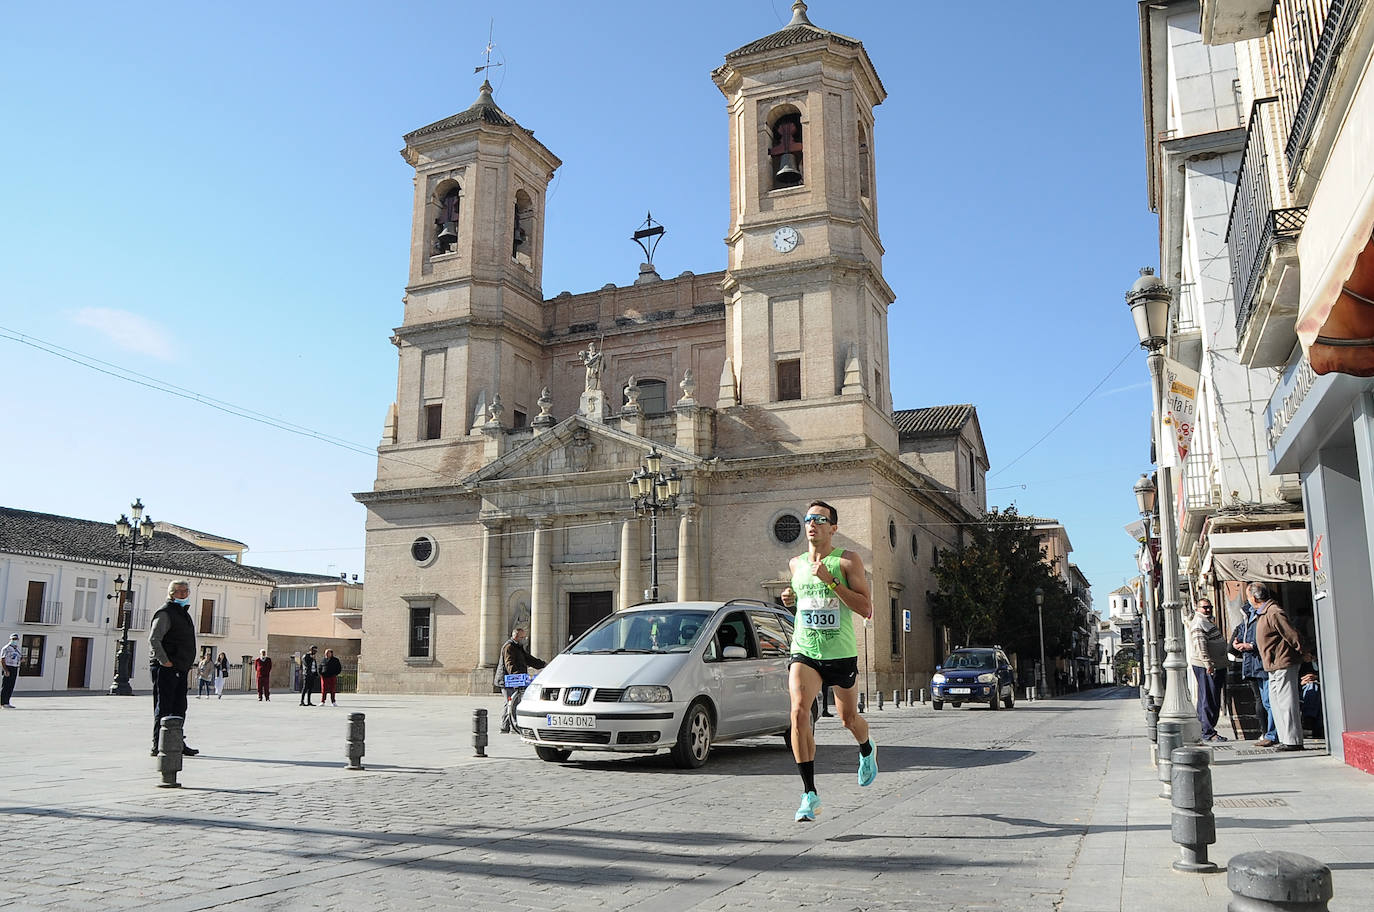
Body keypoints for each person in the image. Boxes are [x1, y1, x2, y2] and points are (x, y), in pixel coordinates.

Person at [780, 499, 876, 823]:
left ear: (833, 528)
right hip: (805, 650)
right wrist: (789, 599)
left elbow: (866, 608)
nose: (813, 524)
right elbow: (805, 605)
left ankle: (866, 748)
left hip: (840, 653)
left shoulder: (847, 561)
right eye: (808, 518)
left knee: (848, 719)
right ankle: (809, 794)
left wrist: (831, 581)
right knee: (798, 713)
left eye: (820, 520)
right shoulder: (795, 565)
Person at [1250, 582, 1315, 752]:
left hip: (1282, 662)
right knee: (1277, 702)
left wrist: (1304, 652)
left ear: (1255, 597)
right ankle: (1285, 738)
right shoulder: (1264, 612)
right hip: (1272, 665)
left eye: (1249, 595)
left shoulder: (1273, 611)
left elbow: (1291, 634)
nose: (1248, 599)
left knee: (1287, 702)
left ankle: (1293, 740)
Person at [149, 580, 199, 756]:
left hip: (180, 667)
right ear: (171, 593)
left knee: (180, 706)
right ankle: (158, 744)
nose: (183, 594)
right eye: (179, 591)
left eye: (186, 591)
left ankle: (177, 742)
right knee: (164, 707)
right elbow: (154, 639)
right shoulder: (165, 613)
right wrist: (165, 661)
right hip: (167, 668)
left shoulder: (183, 613)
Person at [1230, 600, 1277, 747]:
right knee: (1264, 701)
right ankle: (1269, 733)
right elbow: (1233, 645)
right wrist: (1239, 645)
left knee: (1268, 701)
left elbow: (1267, 639)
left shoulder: (1261, 616)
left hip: (1261, 664)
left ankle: (1272, 734)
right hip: (1254, 665)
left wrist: (1249, 645)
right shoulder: (1249, 619)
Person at [1187, 599, 1229, 743]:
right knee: (1208, 698)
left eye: (1210, 607)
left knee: (1210, 697)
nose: (1208, 610)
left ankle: (1206, 729)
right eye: (1205, 607)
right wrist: (1207, 663)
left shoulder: (1207, 621)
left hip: (1214, 665)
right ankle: (1208, 731)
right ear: (1197, 608)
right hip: (1207, 666)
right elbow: (1200, 645)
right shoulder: (1199, 623)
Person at [495, 626, 546, 734]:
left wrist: (542, 664)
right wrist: (517, 677)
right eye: (523, 637)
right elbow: (510, 664)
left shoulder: (518, 647)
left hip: (513, 679)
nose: (525, 639)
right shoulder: (509, 647)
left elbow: (528, 659)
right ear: (517, 637)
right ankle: (514, 726)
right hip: (507, 680)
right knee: (512, 702)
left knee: (510, 702)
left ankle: (505, 727)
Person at [1, 633, 21, 707]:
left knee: (11, 686)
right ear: (10, 639)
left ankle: (7, 702)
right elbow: (2, 659)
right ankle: (2, 703)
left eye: (16, 639)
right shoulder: (6, 648)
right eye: (13, 639)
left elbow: (18, 658)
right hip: (8, 667)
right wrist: (5, 670)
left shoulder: (17, 648)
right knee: (5, 685)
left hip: (14, 667)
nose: (14, 640)